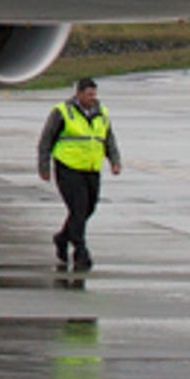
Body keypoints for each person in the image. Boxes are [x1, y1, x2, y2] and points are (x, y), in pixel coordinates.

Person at [39, 77, 123, 270]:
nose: (93, 98)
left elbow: (108, 139)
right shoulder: (62, 112)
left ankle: (62, 238)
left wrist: (115, 161)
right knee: (78, 209)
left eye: (94, 94)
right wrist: (44, 167)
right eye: (89, 94)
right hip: (68, 167)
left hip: (91, 168)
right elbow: (46, 140)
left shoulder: (101, 112)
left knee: (88, 208)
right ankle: (80, 250)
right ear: (78, 94)